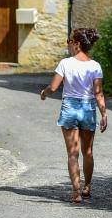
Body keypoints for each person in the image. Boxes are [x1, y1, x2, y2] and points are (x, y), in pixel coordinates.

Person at [40, 27, 108, 203]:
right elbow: (98, 93)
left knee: (72, 153)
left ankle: (76, 192)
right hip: (88, 108)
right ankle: (87, 187)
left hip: (70, 107)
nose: (68, 44)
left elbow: (53, 88)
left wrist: (44, 93)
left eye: (70, 41)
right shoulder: (95, 66)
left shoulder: (65, 63)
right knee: (88, 152)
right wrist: (104, 113)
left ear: (77, 44)